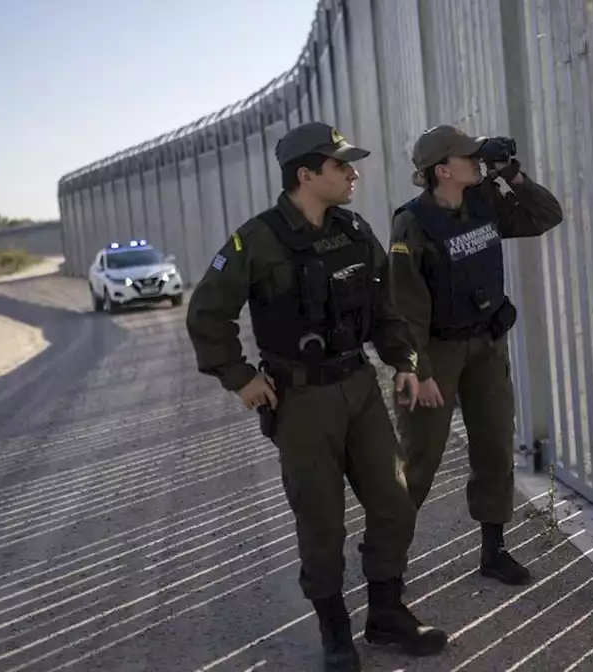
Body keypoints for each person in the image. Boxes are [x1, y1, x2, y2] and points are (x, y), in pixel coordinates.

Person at [185, 121, 447, 672]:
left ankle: (386, 613)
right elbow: (207, 312)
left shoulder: (354, 231)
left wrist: (406, 362)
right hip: (301, 401)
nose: (353, 174)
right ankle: (335, 633)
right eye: (340, 165)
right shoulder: (255, 240)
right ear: (305, 174)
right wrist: (240, 377)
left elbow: (385, 310)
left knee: (395, 502)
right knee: (321, 519)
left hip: (358, 386)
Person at [387, 124, 564, 587]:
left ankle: (494, 550)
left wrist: (512, 175)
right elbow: (405, 306)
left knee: (494, 446)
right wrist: (418, 371)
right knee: (420, 455)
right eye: (470, 156)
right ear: (443, 170)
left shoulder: (484, 201)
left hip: (486, 344)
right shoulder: (414, 222)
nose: (478, 160)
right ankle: (387, 561)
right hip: (436, 353)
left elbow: (546, 215)